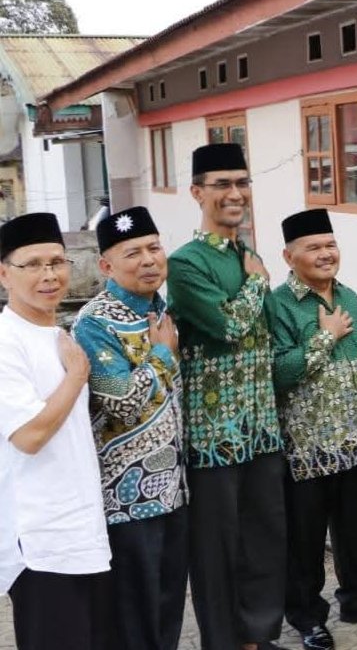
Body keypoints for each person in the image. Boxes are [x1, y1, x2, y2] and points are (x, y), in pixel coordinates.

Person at [168, 143, 286, 650]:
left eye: (242, 183)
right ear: (197, 193)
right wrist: (258, 286)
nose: (235, 194)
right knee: (217, 548)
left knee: (265, 537)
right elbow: (230, 325)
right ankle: (222, 640)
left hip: (261, 428)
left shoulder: (250, 255)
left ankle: (259, 636)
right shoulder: (184, 264)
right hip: (214, 436)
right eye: (222, 184)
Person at [264, 209, 357, 649]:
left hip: (356, 443)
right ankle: (307, 617)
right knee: (305, 540)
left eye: (330, 245)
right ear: (289, 255)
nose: (326, 254)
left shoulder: (351, 297)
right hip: (308, 448)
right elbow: (279, 372)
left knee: (355, 531)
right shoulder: (277, 305)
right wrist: (325, 337)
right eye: (314, 248)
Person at [73, 207, 185, 650]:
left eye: (154, 248)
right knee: (135, 613)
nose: (148, 260)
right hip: (127, 498)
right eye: (132, 253)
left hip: (174, 488)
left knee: (169, 601)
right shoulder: (94, 322)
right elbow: (121, 400)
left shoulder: (163, 310)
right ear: (106, 266)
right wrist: (162, 355)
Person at [0, 213, 112, 649]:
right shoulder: (7, 339)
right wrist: (76, 378)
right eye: (34, 265)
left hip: (81, 530)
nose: (49, 275)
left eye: (57, 262)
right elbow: (28, 436)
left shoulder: (56, 334)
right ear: (4, 273)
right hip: (41, 542)